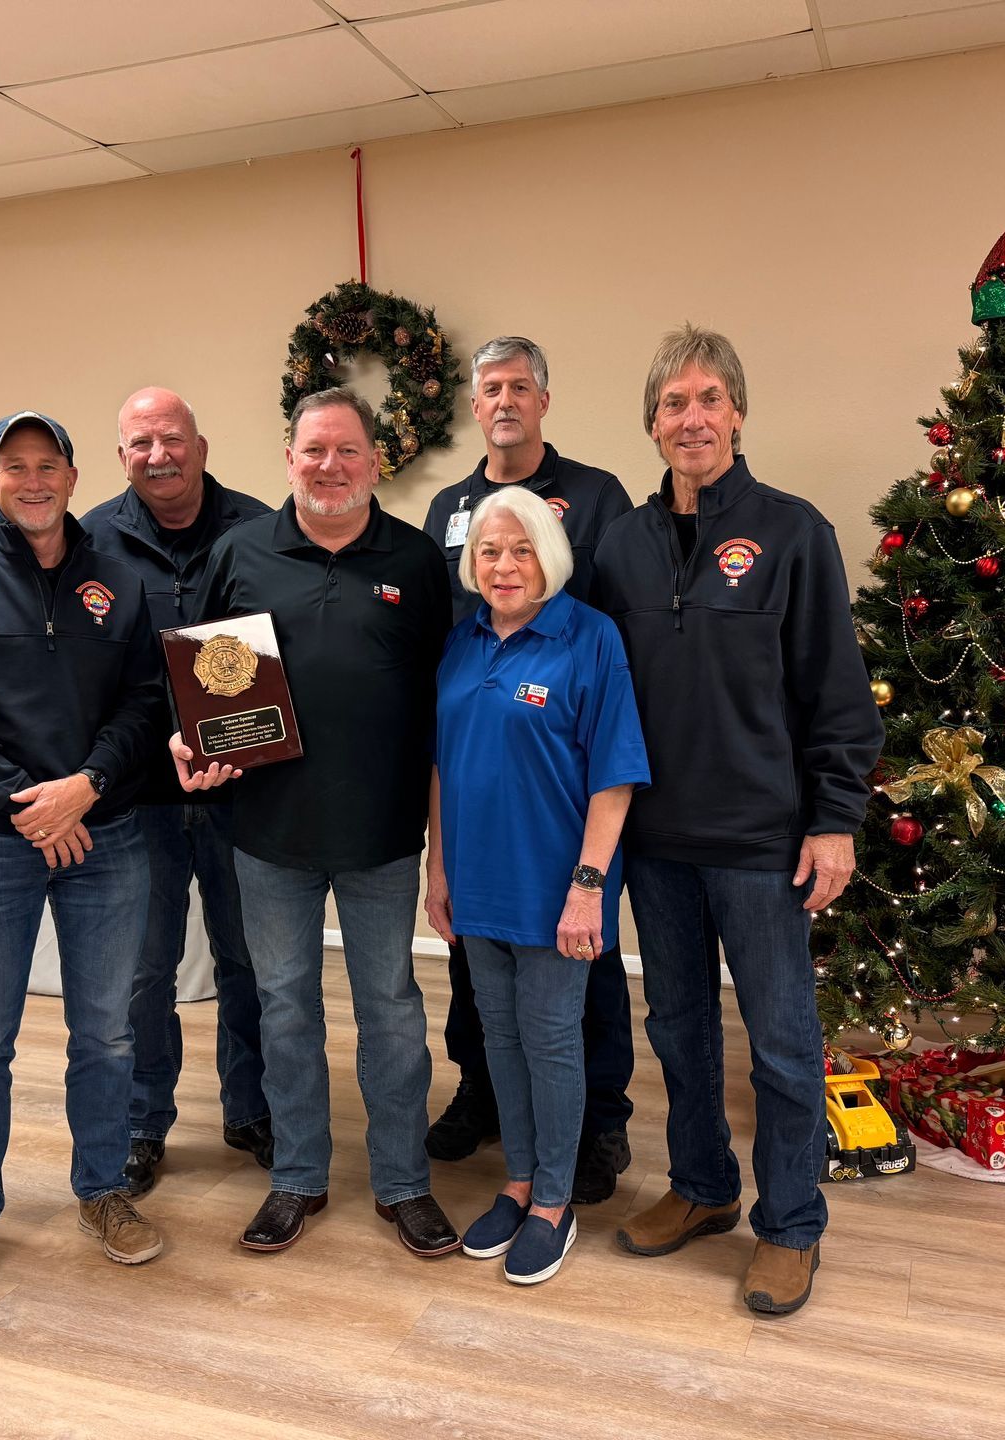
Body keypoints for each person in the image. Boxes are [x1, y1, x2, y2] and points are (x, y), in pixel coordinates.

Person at [592, 325, 884, 1316]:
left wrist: (834, 819)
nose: (692, 418)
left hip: (763, 843)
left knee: (784, 1044)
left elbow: (838, 697)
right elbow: (589, 683)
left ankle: (791, 1224)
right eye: (673, 403)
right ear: (654, 423)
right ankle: (704, 1187)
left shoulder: (794, 534)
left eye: (709, 399)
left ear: (738, 415)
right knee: (675, 1030)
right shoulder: (619, 548)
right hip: (657, 844)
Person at [176, 388, 458, 1258]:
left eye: (346, 451)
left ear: (376, 461)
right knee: (285, 1009)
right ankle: (296, 1176)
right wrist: (189, 744)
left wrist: (442, 851)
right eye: (312, 451)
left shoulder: (416, 563)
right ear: (288, 459)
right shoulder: (240, 552)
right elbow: (203, 681)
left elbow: (447, 714)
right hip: (269, 835)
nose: (328, 466)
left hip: (381, 836)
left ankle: (404, 1181)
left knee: (392, 1013)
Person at [0, 411, 169, 1294]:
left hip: (108, 830)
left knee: (106, 1031)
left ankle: (102, 1192)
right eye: (14, 466)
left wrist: (84, 786)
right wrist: (32, 804)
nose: (33, 479)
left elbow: (145, 704)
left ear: (74, 474)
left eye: (47, 464)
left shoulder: (120, 581)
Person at [420, 335, 638, 1202]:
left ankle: (595, 1131)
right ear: (474, 406)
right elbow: (446, 646)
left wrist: (589, 874)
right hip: (479, 828)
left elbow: (609, 631)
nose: (504, 401)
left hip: (561, 808)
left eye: (519, 387)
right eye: (489, 389)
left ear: (543, 399)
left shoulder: (596, 498)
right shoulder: (447, 509)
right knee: (493, 1011)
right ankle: (492, 1110)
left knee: (571, 1007)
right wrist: (438, 859)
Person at [81, 387, 273, 1197]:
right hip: (137, 798)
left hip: (243, 790)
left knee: (250, 960)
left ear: (200, 444)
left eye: (171, 438)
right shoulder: (90, 538)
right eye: (139, 443)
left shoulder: (261, 526)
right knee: (142, 971)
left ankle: (253, 1108)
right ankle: (140, 1124)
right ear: (121, 454)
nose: (157, 455)